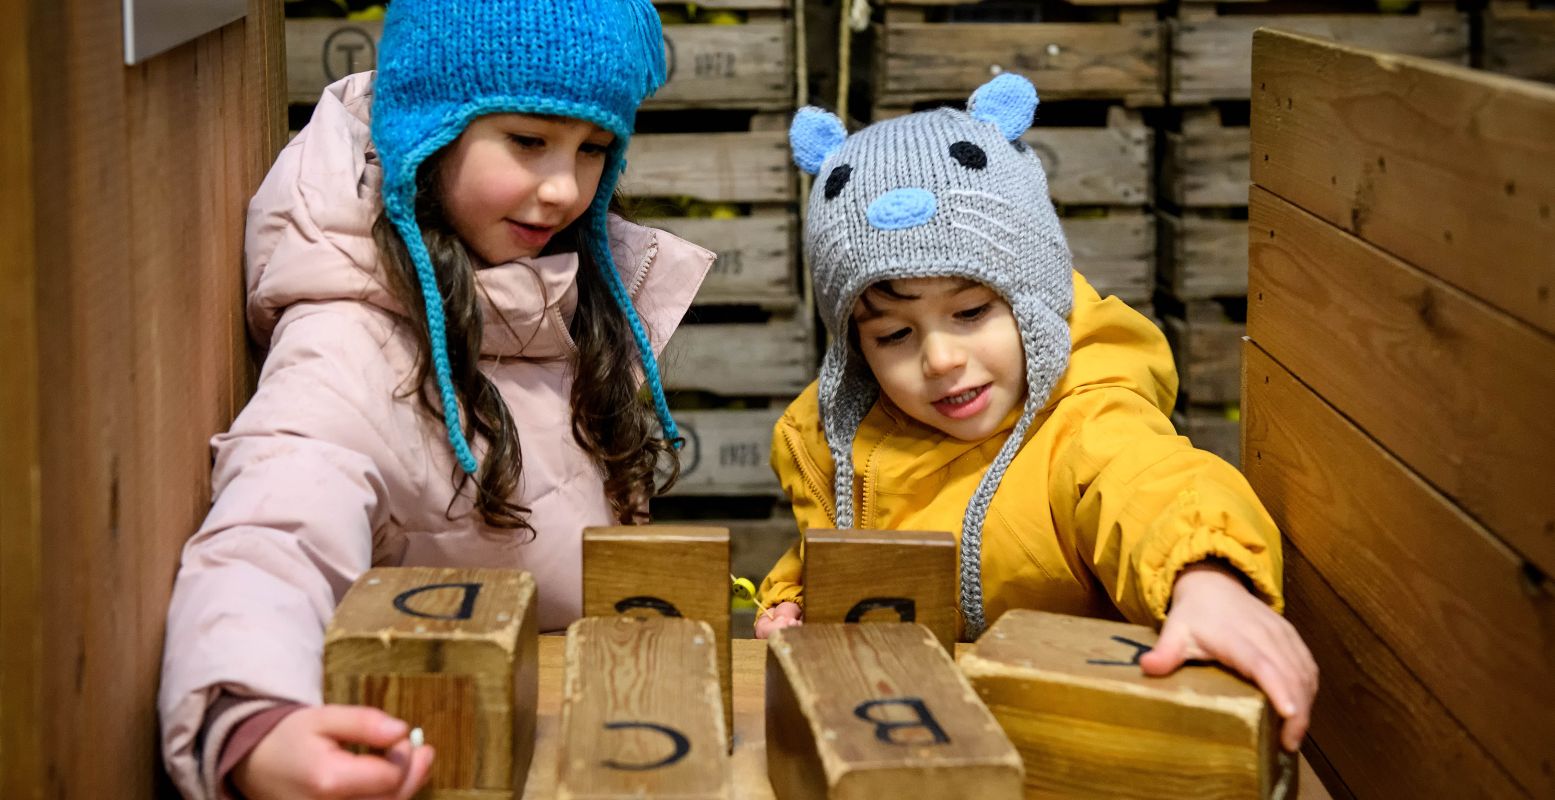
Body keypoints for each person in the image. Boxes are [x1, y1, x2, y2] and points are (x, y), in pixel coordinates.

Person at [157, 2, 715, 797]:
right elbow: (274, 532)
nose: (563, 189)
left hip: (572, 734)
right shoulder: (351, 344)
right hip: (434, 754)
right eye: (527, 140)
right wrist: (254, 721)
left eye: (593, 149)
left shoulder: (562, 295)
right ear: (429, 128)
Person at [754, 74, 1317, 752]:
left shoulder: (1084, 418)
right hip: (912, 743)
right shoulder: (834, 445)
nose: (939, 359)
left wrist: (1204, 577)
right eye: (893, 335)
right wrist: (794, 597)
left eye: (970, 313)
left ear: (1033, 297)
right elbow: (837, 543)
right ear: (852, 350)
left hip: (1076, 744)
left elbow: (1148, 483)